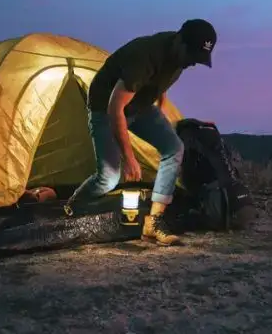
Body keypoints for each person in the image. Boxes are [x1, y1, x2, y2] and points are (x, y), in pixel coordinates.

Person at [70, 18, 217, 246]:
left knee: (174, 147)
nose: (192, 63)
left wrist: (166, 115)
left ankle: (153, 221)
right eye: (191, 56)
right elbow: (114, 108)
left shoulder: (180, 59)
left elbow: (160, 84)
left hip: (140, 106)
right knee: (108, 178)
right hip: (105, 107)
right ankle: (72, 207)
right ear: (180, 42)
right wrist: (129, 158)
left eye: (197, 59)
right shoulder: (145, 56)